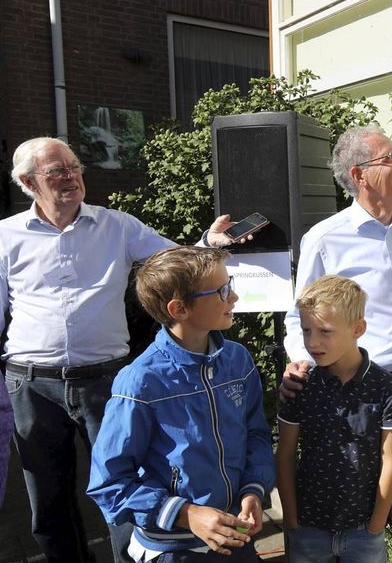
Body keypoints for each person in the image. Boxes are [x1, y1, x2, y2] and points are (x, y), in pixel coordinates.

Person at [0, 137, 242, 563]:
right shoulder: (5, 236)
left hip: (107, 381)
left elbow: (177, 260)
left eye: (75, 167)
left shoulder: (117, 225)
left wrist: (209, 242)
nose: (71, 177)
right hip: (32, 384)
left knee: (126, 486)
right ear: (27, 182)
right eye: (57, 171)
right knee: (48, 498)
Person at [281, 123, 392, 563]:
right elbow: (298, 318)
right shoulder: (325, 238)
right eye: (391, 157)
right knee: (351, 503)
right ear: (359, 175)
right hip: (355, 392)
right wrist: (301, 364)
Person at [87, 246, 275, 561]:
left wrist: (253, 489)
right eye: (222, 290)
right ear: (179, 309)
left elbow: (255, 434)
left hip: (236, 539)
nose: (234, 297)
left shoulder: (238, 360)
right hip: (175, 550)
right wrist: (186, 514)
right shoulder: (139, 382)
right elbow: (109, 483)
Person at [276, 275, 392, 563]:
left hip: (363, 529)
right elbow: (285, 455)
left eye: (325, 331)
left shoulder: (387, 388)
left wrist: (376, 526)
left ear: (357, 329)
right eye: (306, 330)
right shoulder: (299, 386)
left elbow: (391, 461)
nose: (312, 342)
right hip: (307, 527)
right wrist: (292, 521)